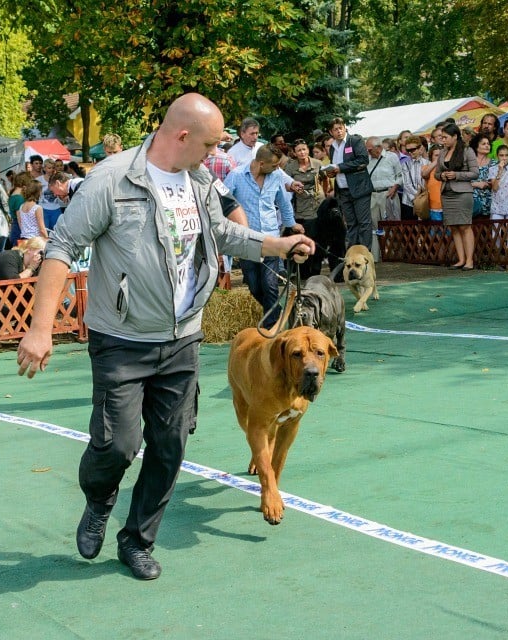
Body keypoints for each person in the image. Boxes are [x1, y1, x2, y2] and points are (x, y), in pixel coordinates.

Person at [16, 93, 315, 581]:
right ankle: (99, 500)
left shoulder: (199, 178)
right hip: (122, 339)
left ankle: (136, 540)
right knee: (117, 444)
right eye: (210, 143)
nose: (216, 154)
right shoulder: (110, 180)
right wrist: (41, 328)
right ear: (182, 136)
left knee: (170, 444)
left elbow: (221, 233)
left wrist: (276, 245)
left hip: (183, 340)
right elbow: (62, 246)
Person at [224, 143, 304, 328]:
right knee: (254, 286)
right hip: (246, 239)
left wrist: (292, 224)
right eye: (275, 165)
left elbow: (283, 203)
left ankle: (272, 326)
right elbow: (223, 203)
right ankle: (278, 314)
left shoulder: (275, 176)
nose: (278, 169)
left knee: (269, 285)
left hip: (270, 238)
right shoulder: (236, 176)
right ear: (261, 163)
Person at [323, 117, 373, 250]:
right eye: (335, 129)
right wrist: (332, 172)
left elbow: (363, 161)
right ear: (330, 132)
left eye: (341, 127)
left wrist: (341, 168)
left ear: (345, 127)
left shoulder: (355, 140)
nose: (339, 131)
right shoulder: (333, 147)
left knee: (364, 223)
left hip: (359, 188)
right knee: (351, 223)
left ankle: (364, 253)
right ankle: (352, 252)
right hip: (343, 190)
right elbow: (337, 167)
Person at [437, 123, 478, 270]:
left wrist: (457, 175)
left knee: (465, 226)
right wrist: (441, 175)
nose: (443, 140)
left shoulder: (467, 151)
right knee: (453, 227)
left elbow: (475, 173)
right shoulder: (442, 152)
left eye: (445, 137)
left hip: (462, 193)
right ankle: (461, 260)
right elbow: (436, 173)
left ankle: (469, 261)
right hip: (446, 192)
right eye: (441, 137)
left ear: (455, 137)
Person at [284, 138, 324, 279]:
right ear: (294, 153)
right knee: (305, 239)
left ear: (308, 150)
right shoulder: (290, 166)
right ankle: (304, 271)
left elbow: (327, 182)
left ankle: (316, 270)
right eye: (299, 150)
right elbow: (284, 184)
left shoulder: (318, 164)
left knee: (319, 239)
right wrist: (293, 187)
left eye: (304, 149)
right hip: (300, 207)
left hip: (318, 204)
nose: (302, 152)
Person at [399, 136, 427, 220]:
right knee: (409, 230)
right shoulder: (405, 165)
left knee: (423, 229)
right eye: (408, 150)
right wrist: (416, 199)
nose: (410, 152)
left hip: (424, 202)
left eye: (413, 149)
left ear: (420, 148)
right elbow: (406, 184)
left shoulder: (428, 163)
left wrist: (421, 199)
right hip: (408, 202)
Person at [469, 134, 493, 217]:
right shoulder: (468, 163)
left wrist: (489, 184)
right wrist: (476, 184)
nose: (487, 146)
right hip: (472, 205)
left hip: (490, 203)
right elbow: (459, 183)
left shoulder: (494, 163)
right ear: (476, 146)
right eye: (483, 144)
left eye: (488, 144)